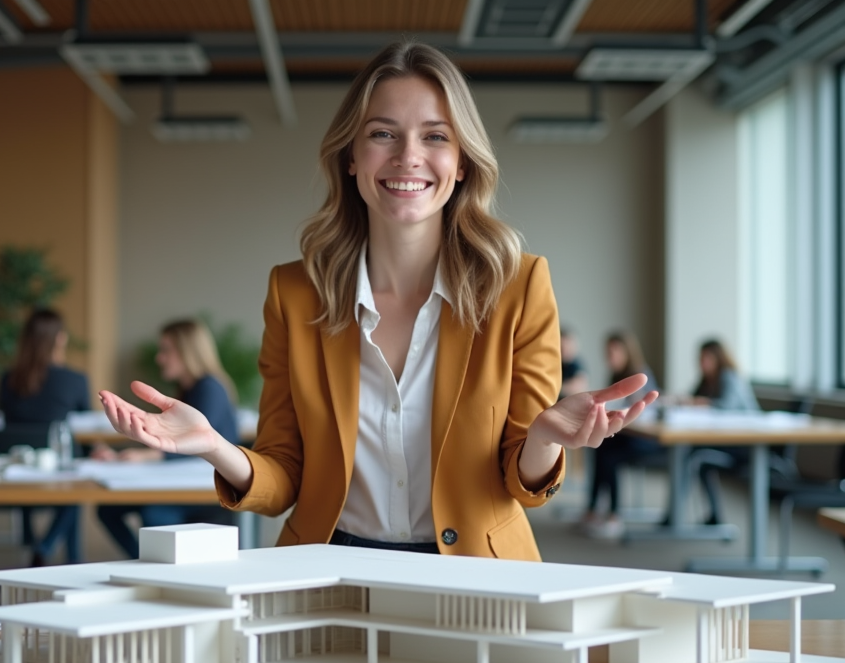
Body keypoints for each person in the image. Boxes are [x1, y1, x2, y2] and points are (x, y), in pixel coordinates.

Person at [97, 42, 656, 560]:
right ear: (351, 156)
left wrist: (542, 438)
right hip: (330, 567)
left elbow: (522, 484)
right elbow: (285, 478)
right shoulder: (294, 294)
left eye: (435, 136)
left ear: (461, 163)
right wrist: (215, 447)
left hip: (479, 573)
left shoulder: (519, 286)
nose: (408, 156)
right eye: (383, 134)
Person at [94, 319, 239, 558]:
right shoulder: (189, 389)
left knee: (155, 514)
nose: (159, 358)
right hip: (181, 480)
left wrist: (140, 456)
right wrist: (123, 455)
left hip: (206, 490)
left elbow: (194, 445)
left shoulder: (209, 388)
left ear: (187, 352)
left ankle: (158, 565)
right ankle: (142, 561)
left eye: (166, 350)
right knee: (108, 509)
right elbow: (167, 439)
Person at [0, 308, 86, 566]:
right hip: (58, 468)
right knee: (79, 485)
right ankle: (50, 547)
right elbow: (86, 424)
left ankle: (37, 541)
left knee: (75, 479)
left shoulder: (8, 380)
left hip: (16, 466)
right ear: (60, 339)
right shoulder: (74, 380)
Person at [581, 331, 662, 539]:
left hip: (647, 440)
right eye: (607, 353)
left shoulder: (639, 375)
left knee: (609, 456)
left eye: (614, 352)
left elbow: (641, 410)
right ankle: (592, 509)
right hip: (628, 435)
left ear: (627, 352)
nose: (610, 357)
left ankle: (614, 515)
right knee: (599, 447)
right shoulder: (616, 375)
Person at [686, 339, 760, 524]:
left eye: (707, 359)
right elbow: (692, 399)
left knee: (695, 453)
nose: (702, 363)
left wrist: (703, 403)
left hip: (745, 443)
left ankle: (678, 516)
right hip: (724, 439)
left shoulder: (729, 377)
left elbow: (726, 407)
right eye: (701, 359)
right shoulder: (707, 380)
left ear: (718, 359)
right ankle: (712, 515)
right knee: (694, 452)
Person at [559, 327, 589, 399]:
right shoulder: (559, 364)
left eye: (567, 347)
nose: (564, 351)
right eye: (562, 347)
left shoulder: (577, 365)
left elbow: (578, 385)